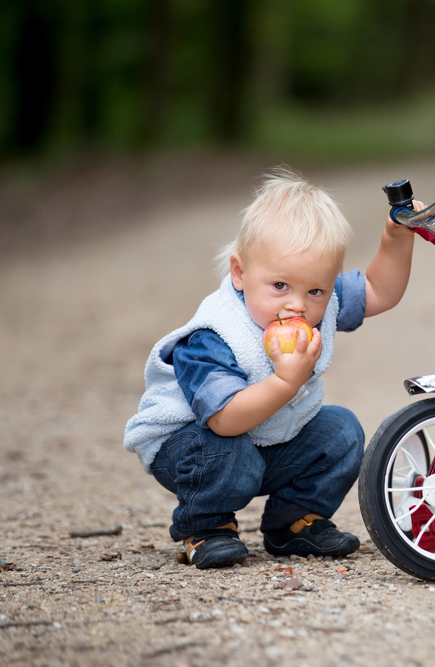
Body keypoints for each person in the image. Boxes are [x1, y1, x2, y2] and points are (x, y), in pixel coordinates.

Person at [124, 168, 419, 569]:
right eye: (280, 286)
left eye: (315, 290)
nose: (297, 305)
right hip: (192, 445)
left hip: (264, 439)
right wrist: (285, 382)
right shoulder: (215, 333)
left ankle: (292, 522)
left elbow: (379, 291)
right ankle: (205, 525)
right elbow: (224, 421)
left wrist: (397, 237)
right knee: (231, 453)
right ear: (240, 273)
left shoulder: (320, 303)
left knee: (343, 431)